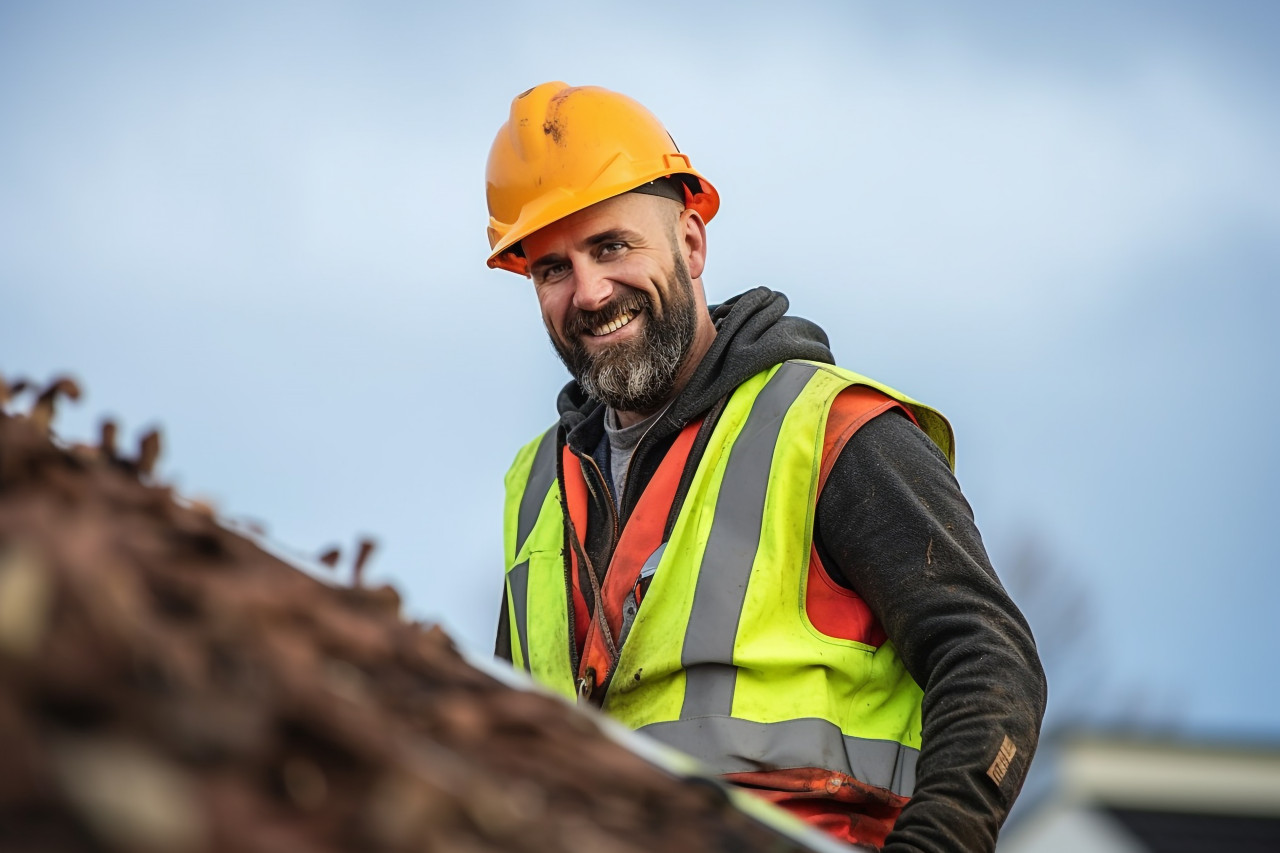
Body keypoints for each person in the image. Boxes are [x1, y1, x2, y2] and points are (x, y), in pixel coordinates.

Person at [488, 82, 1046, 852]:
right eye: (552, 268)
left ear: (690, 243)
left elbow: (988, 659)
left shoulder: (832, 431)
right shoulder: (537, 487)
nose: (589, 290)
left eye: (612, 246)